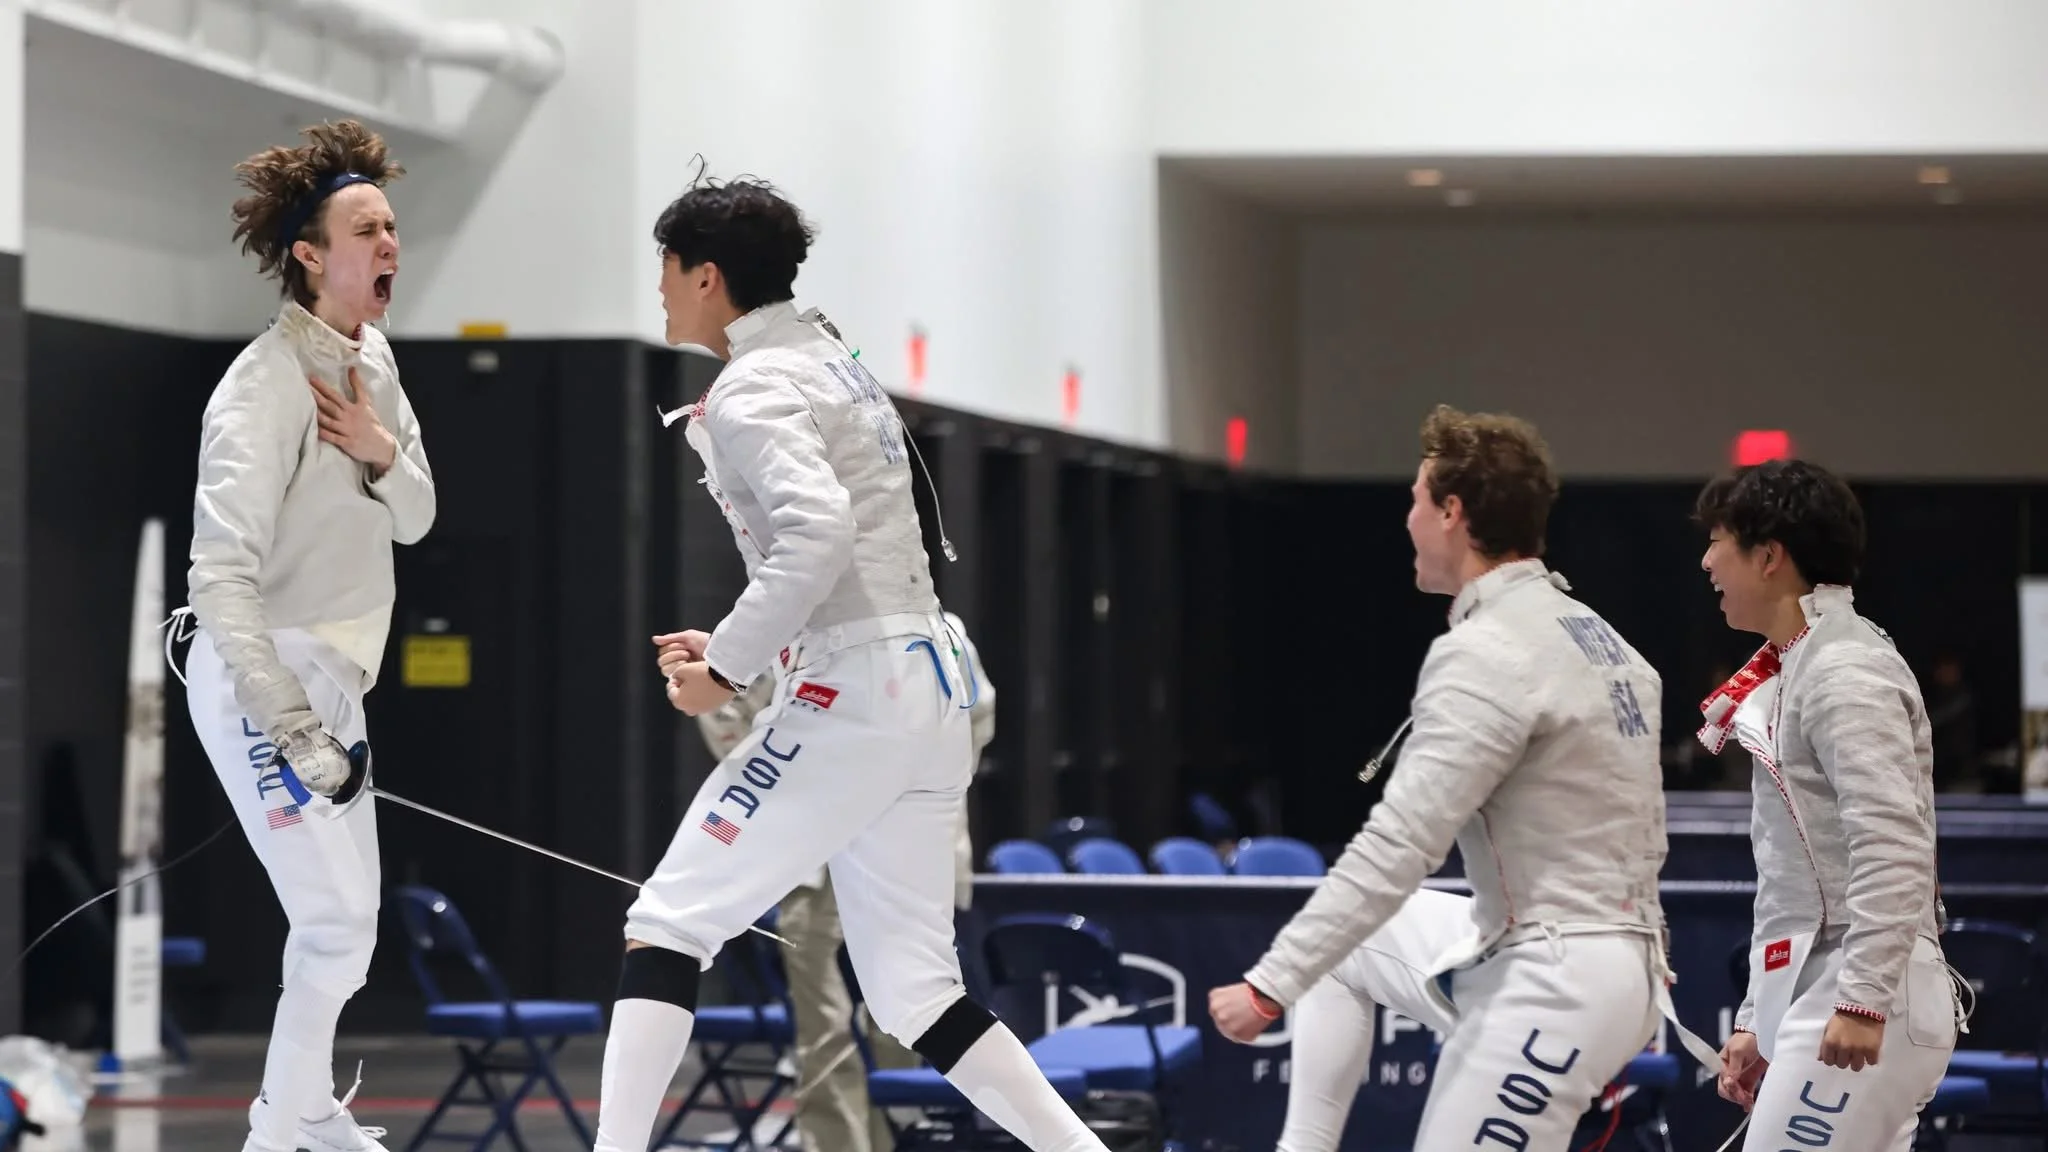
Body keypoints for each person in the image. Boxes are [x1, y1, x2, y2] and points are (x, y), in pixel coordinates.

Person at [592, 171, 1108, 1152]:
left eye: (665, 269)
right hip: (924, 685)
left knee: (666, 922)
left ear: (706, 276)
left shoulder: (754, 384)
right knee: (915, 989)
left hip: (859, 689)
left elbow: (816, 535)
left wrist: (728, 670)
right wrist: (757, 644)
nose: (656, 289)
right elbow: (844, 552)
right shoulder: (825, 360)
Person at [1209, 405, 1709, 1151]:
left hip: (1558, 980)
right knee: (1351, 943)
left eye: (1416, 500)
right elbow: (1635, 824)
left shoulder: (1489, 652)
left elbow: (1402, 842)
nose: (1407, 519)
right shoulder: (1604, 639)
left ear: (1452, 512)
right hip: (1597, 960)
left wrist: (1269, 982)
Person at [179, 119, 433, 1152]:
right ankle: (285, 1133)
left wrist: (380, 450)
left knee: (349, 937)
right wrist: (285, 722)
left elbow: (414, 516)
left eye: (392, 226)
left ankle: (305, 1116)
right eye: (366, 228)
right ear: (310, 253)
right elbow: (219, 571)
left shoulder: (375, 366)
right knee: (331, 928)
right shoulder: (262, 383)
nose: (389, 244)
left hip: (335, 681)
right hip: (261, 677)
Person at [1695, 459, 1960, 1148]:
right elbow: (1791, 882)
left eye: (1718, 540)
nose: (1706, 561)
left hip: (1873, 986)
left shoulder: (1846, 670)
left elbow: (1893, 845)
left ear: (1770, 555)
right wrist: (1761, 1016)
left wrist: (1863, 997)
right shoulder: (1797, 670)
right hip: (1838, 981)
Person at [692, 610, 995, 1152]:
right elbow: (726, 721)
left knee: (914, 1016)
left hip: (909, 858)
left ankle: (913, 1142)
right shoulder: (775, 623)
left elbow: (973, 721)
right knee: (824, 1031)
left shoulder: (940, 631)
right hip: (816, 860)